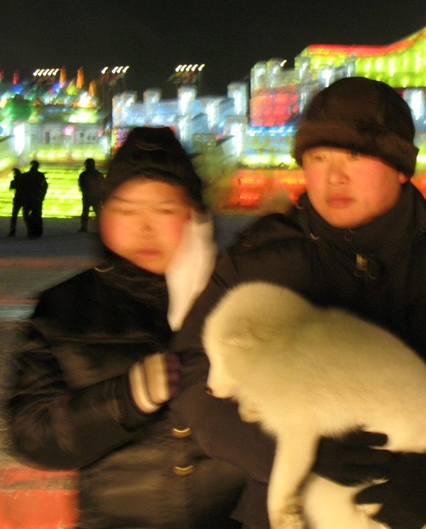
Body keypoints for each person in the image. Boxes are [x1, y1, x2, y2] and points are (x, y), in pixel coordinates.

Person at [172, 77, 426, 528]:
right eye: (318, 158)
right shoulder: (258, 258)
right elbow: (193, 375)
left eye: (355, 156)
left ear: (400, 167)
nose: (334, 176)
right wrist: (294, 451)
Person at [6, 127, 246, 528]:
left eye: (164, 209)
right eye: (127, 209)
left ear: (195, 215)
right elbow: (33, 435)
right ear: (104, 215)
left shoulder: (241, 298)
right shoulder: (64, 308)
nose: (145, 227)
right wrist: (124, 399)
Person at [18, 159, 48, 238]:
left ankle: (31, 230)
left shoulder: (25, 175)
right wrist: (41, 196)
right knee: (37, 215)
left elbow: (21, 187)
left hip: (28, 198)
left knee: (27, 215)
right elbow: (44, 186)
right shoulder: (40, 175)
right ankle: (37, 231)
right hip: (36, 199)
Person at [78, 157, 106, 232]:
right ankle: (102, 228)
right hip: (95, 196)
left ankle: (84, 227)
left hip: (88, 196)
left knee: (85, 212)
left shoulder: (83, 175)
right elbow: (102, 185)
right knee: (97, 212)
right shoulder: (98, 174)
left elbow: (81, 185)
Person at [7, 167, 22, 236]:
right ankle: (30, 230)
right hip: (24, 199)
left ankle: (12, 231)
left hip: (18, 199)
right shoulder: (24, 179)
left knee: (14, 215)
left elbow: (11, 188)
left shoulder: (15, 180)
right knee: (26, 215)